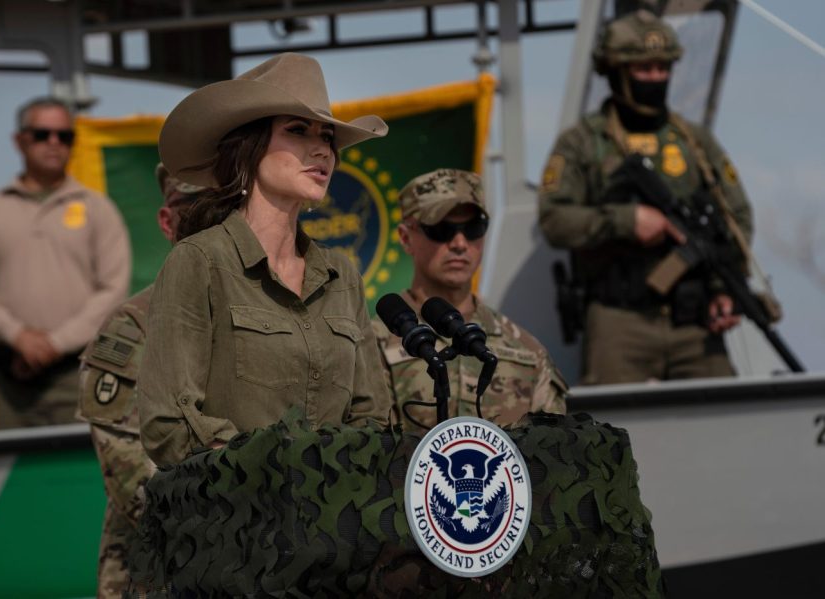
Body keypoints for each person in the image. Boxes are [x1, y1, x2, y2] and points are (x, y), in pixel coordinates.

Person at [138, 52, 392, 467]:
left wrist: (332, 482)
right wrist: (275, 477)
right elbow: (169, 424)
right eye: (298, 130)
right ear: (249, 148)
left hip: (336, 508)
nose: (322, 150)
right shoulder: (199, 261)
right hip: (237, 506)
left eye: (327, 137)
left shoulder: (341, 275)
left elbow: (372, 418)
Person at [538, 10, 753, 384]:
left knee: (727, 411)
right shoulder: (583, 143)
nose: (655, 77)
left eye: (662, 68)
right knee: (611, 419)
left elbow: (737, 218)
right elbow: (554, 219)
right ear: (616, 72)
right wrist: (627, 221)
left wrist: (725, 289)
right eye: (643, 69)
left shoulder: (695, 143)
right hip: (619, 321)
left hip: (695, 322)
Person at [0, 97, 131, 429]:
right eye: (42, 134)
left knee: (79, 463)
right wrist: (18, 337)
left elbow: (114, 290)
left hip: (79, 375)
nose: (54, 143)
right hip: (8, 383)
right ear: (20, 140)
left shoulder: (98, 209)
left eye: (65, 136)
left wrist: (55, 344)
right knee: (7, 463)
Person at [77, 165, 202, 598]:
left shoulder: (266, 315)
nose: (211, 219)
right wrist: (226, 534)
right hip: (162, 571)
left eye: (224, 206)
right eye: (194, 208)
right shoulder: (133, 326)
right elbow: (129, 470)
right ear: (168, 222)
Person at [373, 168, 567, 431]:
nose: (460, 243)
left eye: (473, 228)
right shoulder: (369, 346)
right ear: (406, 238)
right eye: (441, 229)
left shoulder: (528, 352)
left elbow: (555, 447)